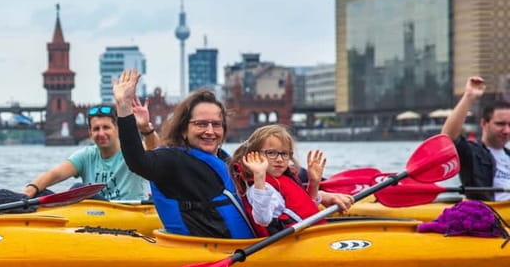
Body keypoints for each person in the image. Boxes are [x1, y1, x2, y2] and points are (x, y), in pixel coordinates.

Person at [113, 68, 255, 239]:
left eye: (216, 124)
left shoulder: (226, 161)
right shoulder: (174, 161)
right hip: (206, 253)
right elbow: (138, 161)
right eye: (201, 124)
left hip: (245, 248)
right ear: (184, 130)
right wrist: (124, 107)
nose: (210, 131)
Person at [229, 124, 354, 237]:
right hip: (291, 243)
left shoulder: (282, 180)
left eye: (284, 154)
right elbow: (263, 219)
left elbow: (300, 210)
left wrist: (314, 183)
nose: (279, 159)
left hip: (309, 236)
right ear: (254, 156)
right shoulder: (259, 188)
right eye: (271, 153)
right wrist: (259, 177)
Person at [20, 103, 154, 201]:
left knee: (77, 188)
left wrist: (146, 129)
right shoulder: (87, 155)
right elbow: (56, 174)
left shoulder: (133, 150)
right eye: (96, 129)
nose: (101, 133)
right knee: (42, 193)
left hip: (130, 214)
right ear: (90, 133)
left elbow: (154, 149)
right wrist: (30, 189)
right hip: (95, 216)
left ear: (117, 129)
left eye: (106, 127)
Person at [441, 76, 510, 201]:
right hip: (489, 213)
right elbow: (448, 137)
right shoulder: (471, 152)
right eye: (500, 124)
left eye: (509, 125)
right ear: (484, 123)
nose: (506, 130)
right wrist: (469, 96)